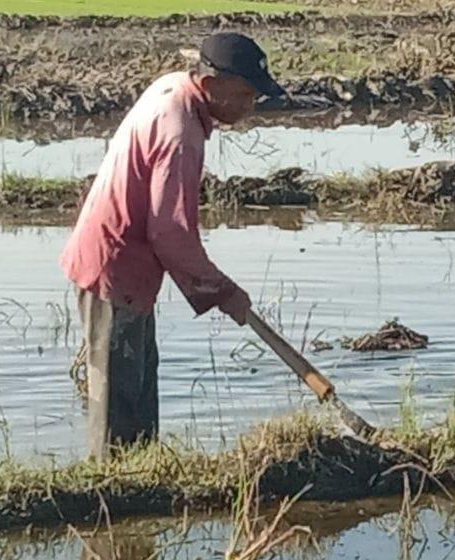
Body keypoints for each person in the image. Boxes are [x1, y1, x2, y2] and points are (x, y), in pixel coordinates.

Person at [61, 32, 285, 459]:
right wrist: (223, 292)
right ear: (208, 85)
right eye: (242, 95)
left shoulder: (172, 88)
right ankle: (113, 497)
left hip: (124, 263)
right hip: (116, 266)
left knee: (138, 384)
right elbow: (172, 233)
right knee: (118, 400)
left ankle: (141, 477)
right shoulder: (180, 131)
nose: (248, 106)